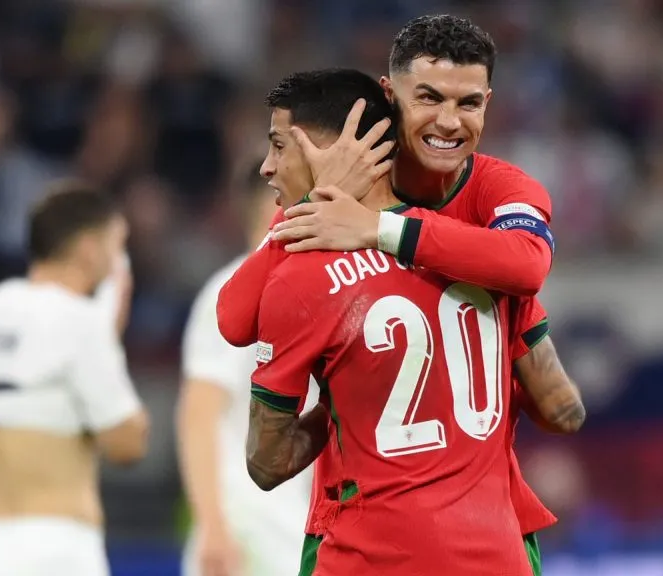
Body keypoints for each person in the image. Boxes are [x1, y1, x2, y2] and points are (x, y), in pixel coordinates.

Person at [218, 15, 585, 575]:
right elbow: (560, 405)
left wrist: (373, 228)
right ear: (388, 96)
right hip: (487, 543)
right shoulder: (479, 253)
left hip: (372, 541)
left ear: (489, 102)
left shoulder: (494, 191)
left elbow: (529, 267)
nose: (448, 122)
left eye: (469, 104)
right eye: (429, 98)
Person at [0, 183, 149, 576]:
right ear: (89, 250)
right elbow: (127, 444)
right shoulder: (79, 321)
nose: (119, 263)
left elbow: (35, 408)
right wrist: (109, 338)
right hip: (59, 549)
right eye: (118, 247)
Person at [177, 161, 318, 576]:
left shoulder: (312, 289)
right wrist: (213, 526)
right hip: (245, 523)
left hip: (291, 518)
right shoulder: (230, 295)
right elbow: (198, 416)